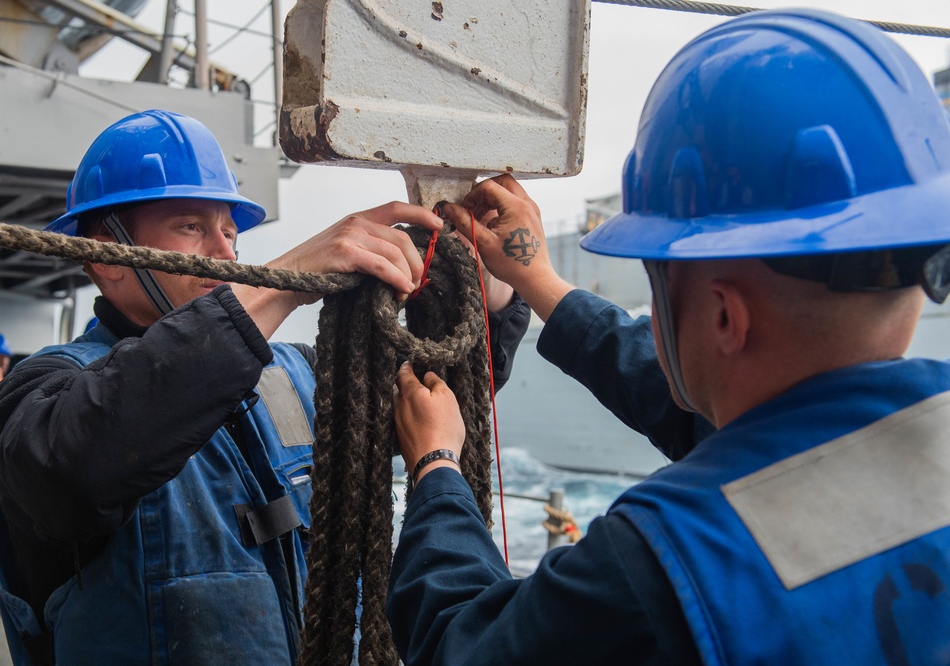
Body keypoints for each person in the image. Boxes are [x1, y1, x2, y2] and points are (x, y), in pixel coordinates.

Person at [387, 9, 950, 665]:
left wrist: (436, 469)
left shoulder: (650, 563)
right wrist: (539, 282)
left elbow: (457, 648)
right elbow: (712, 413)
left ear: (722, 319)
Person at [0, 109, 529, 665]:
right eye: (191, 227)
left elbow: (442, 393)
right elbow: (73, 469)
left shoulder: (300, 373)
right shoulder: (41, 393)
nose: (224, 252)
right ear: (107, 253)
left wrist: (489, 281)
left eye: (229, 230)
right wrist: (288, 282)